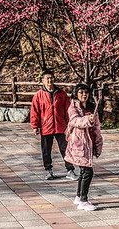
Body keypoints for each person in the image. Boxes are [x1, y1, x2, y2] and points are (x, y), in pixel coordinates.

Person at [30, 70, 76, 180]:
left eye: (51, 78)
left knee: (65, 148)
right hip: (46, 127)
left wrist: (71, 124)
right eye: (47, 78)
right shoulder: (38, 95)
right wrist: (35, 126)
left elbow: (68, 110)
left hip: (61, 126)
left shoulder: (61, 94)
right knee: (46, 150)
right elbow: (35, 111)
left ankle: (70, 170)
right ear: (43, 80)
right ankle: (48, 170)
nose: (50, 80)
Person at [64, 83, 103, 211]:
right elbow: (75, 121)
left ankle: (78, 196)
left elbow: (96, 128)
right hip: (79, 144)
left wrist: (98, 144)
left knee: (83, 172)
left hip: (89, 144)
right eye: (81, 92)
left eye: (86, 92)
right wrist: (88, 119)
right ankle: (83, 200)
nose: (84, 95)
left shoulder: (92, 107)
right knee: (88, 172)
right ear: (76, 94)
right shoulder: (73, 107)